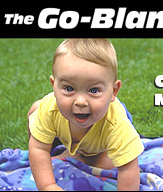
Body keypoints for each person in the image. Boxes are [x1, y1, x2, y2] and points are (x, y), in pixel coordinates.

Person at [27, 39, 144, 191]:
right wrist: (48, 185)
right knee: (35, 111)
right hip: (67, 127)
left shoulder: (117, 124)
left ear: (113, 91)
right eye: (69, 88)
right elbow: (39, 149)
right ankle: (63, 148)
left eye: (93, 90)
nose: (80, 101)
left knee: (108, 163)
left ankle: (77, 154)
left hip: (102, 139)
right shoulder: (50, 109)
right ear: (54, 86)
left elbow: (128, 169)